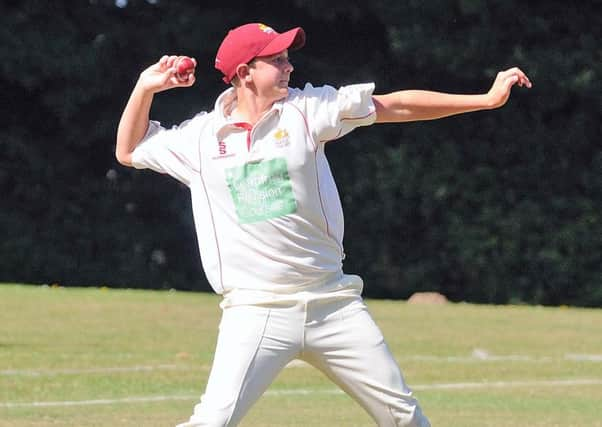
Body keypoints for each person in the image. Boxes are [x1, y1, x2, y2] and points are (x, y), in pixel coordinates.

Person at [116, 23, 531, 427]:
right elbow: (129, 150)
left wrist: (484, 100)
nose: (289, 67)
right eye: (276, 60)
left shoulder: (306, 110)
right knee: (213, 420)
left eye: (287, 58)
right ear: (244, 74)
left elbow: (394, 105)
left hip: (334, 304)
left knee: (404, 418)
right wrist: (145, 87)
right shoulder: (201, 139)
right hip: (255, 311)